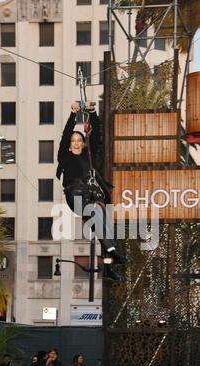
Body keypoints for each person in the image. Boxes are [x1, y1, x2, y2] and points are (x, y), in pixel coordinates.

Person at [56, 101, 126, 281]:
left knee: (105, 225)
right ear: (70, 145)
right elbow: (65, 136)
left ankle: (109, 267)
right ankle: (112, 249)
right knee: (96, 214)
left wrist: (92, 112)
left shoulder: (89, 156)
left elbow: (97, 138)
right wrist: (73, 114)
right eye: (73, 141)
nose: (76, 143)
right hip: (74, 195)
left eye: (79, 140)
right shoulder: (65, 156)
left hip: (90, 196)